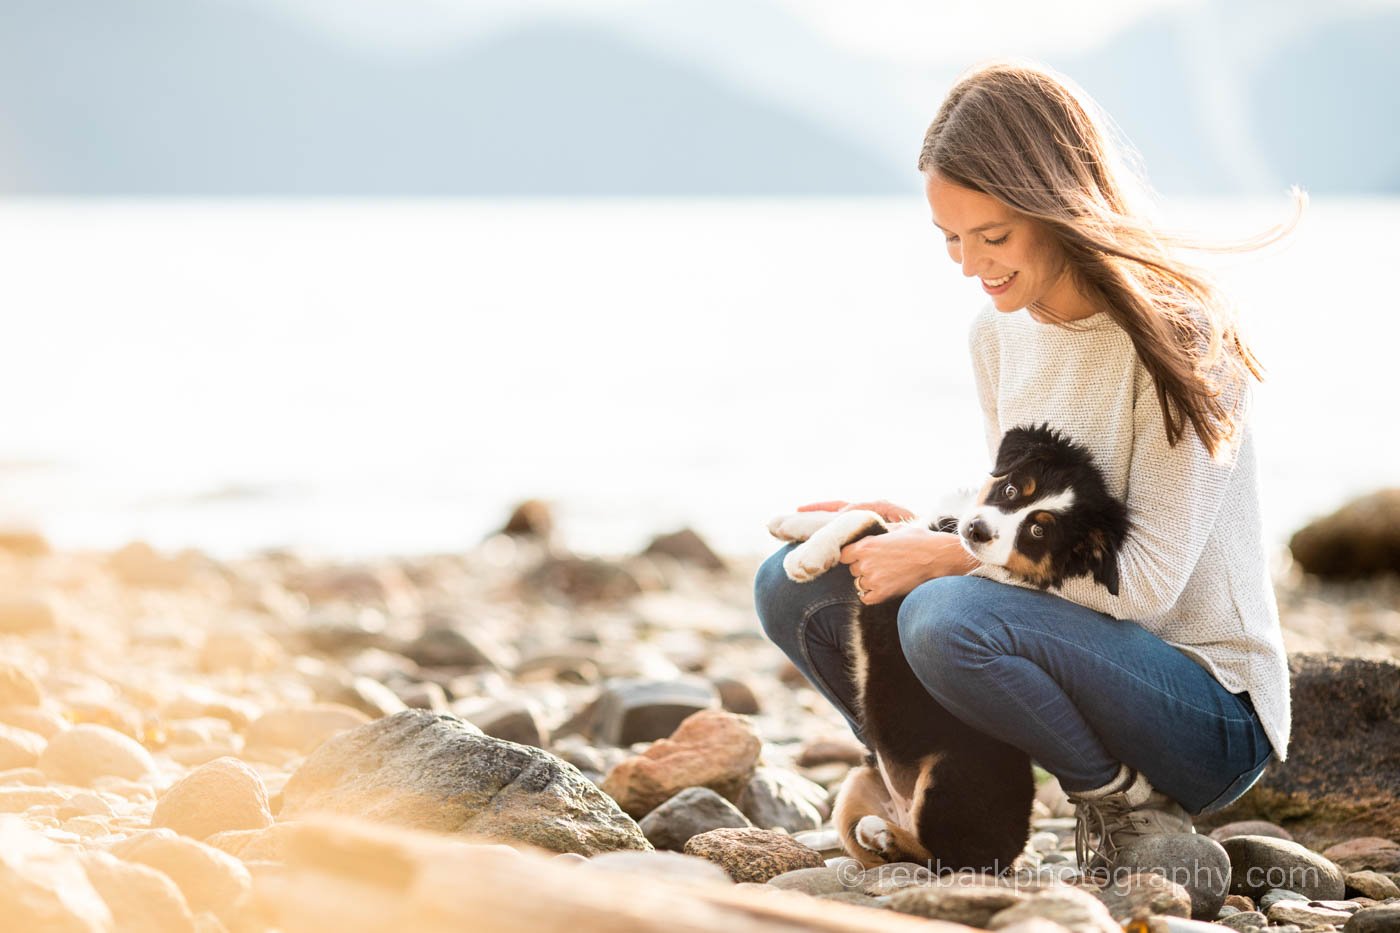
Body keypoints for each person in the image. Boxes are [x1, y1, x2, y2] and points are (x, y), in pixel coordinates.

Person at [753, 60, 1300, 877]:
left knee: (946, 614)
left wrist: (949, 552)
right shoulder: (997, 333)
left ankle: (1121, 805)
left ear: (1057, 204)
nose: (972, 263)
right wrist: (918, 527)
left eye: (994, 235)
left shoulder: (1181, 336)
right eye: (950, 238)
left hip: (1202, 706)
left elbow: (1147, 583)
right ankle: (931, 783)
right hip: (1070, 658)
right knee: (793, 584)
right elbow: (1016, 513)